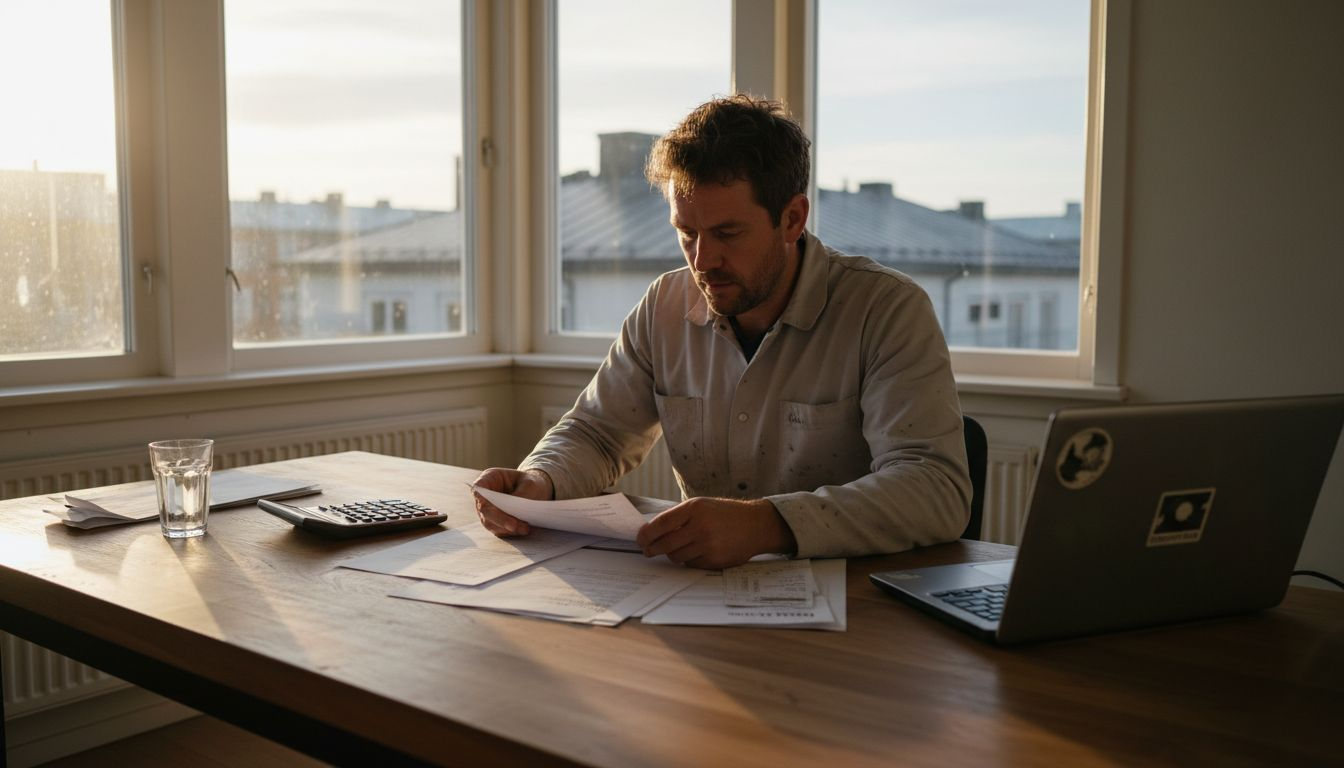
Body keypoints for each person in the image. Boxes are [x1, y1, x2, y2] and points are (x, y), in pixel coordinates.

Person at [473, 94, 970, 569]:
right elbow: (598, 433)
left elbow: (934, 490)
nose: (703, 261)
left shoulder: (885, 310)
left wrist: (767, 526)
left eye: (728, 234)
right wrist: (541, 481)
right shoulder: (663, 306)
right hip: (698, 599)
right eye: (686, 233)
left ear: (792, 218)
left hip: (858, 608)